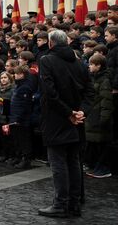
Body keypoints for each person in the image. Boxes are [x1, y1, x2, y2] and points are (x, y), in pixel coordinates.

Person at [38, 30, 95, 218]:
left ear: (51, 43)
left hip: (57, 119)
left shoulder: (47, 60)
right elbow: (90, 92)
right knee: (73, 161)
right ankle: (74, 203)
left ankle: (61, 203)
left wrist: (69, 113)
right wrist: (81, 112)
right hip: (76, 120)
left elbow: (49, 92)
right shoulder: (80, 63)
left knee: (59, 163)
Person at [84, 54, 114, 178]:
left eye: (91, 64)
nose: (89, 66)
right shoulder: (93, 77)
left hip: (99, 116)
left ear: (98, 65)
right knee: (94, 143)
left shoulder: (104, 80)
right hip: (93, 115)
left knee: (102, 144)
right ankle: (94, 165)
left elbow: (106, 101)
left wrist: (103, 118)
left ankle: (103, 168)